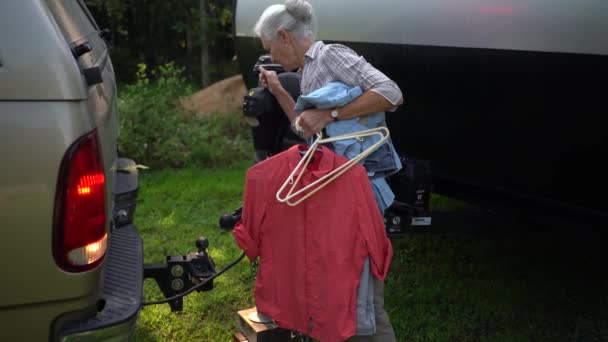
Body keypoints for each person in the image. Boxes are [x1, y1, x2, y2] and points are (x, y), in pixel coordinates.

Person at [253, 0, 403, 341]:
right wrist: (278, 90)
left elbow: (392, 93)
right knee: (339, 292)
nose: (273, 56)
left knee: (363, 301)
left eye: (270, 48)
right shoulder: (308, 72)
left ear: (283, 36)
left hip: (362, 193)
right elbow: (308, 128)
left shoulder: (330, 55)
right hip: (338, 192)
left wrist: (332, 115)